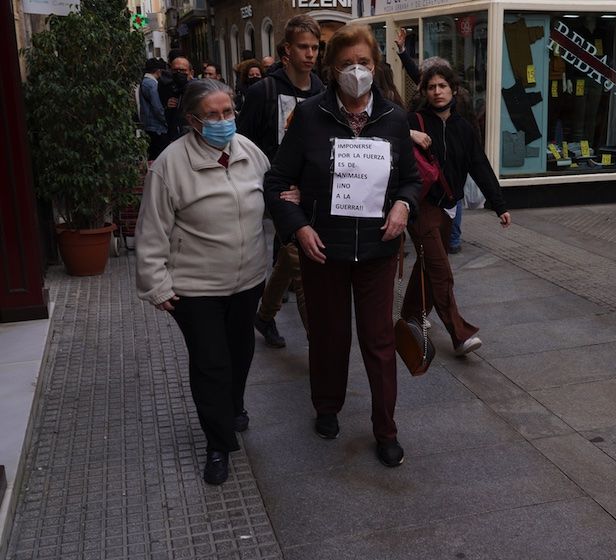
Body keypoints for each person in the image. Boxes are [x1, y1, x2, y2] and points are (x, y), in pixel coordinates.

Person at [264, 24, 421, 467]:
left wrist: (403, 208)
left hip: (377, 250)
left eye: (365, 63)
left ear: (376, 66)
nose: (357, 71)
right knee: (330, 337)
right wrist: (298, 228)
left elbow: (410, 179)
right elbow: (276, 180)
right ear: (332, 70)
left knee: (378, 341)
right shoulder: (311, 116)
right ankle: (327, 407)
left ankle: (385, 428)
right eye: (348, 64)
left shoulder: (394, 119)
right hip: (323, 251)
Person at [135, 79, 271, 486]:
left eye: (228, 112)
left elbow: (275, 189)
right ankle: (218, 442)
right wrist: (156, 284)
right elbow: (152, 230)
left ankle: (233, 405)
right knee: (211, 362)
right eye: (212, 115)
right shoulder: (169, 166)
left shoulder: (248, 151)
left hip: (248, 279)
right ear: (193, 120)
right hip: (195, 288)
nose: (223, 121)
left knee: (241, 351)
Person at [402, 63, 511, 356]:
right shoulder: (413, 120)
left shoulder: (464, 126)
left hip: (449, 207)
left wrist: (498, 204)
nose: (437, 92)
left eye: (442, 86)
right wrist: (409, 134)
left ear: (453, 90)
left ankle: (410, 315)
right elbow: (384, 130)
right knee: (440, 270)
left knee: (427, 264)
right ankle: (459, 334)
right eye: (431, 87)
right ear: (424, 91)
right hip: (420, 206)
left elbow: (479, 165)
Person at [238, 14, 324, 348]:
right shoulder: (264, 90)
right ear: (287, 49)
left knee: (289, 255)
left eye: (315, 47)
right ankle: (319, 344)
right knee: (300, 261)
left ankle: (264, 314)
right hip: (276, 186)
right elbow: (242, 141)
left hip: (310, 188)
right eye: (304, 47)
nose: (311, 54)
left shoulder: (322, 90)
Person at [394, 28, 482, 254]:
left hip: (444, 155)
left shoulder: (443, 99)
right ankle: (449, 237)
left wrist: (474, 151)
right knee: (452, 193)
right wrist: (403, 52)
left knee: (450, 192)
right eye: (429, 83)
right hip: (441, 155)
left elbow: (469, 126)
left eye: (437, 83)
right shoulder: (447, 92)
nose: (433, 89)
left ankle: (447, 236)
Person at [139, 58, 169, 160]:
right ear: (158, 71)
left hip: (149, 125)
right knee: (158, 157)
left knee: (152, 156)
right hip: (157, 127)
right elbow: (157, 107)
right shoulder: (152, 85)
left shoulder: (144, 82)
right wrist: (166, 121)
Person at [159, 55, 193, 141]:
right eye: (175, 70)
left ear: (190, 73)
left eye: (182, 70)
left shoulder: (197, 90)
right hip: (175, 136)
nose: (179, 73)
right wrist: (167, 107)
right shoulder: (167, 88)